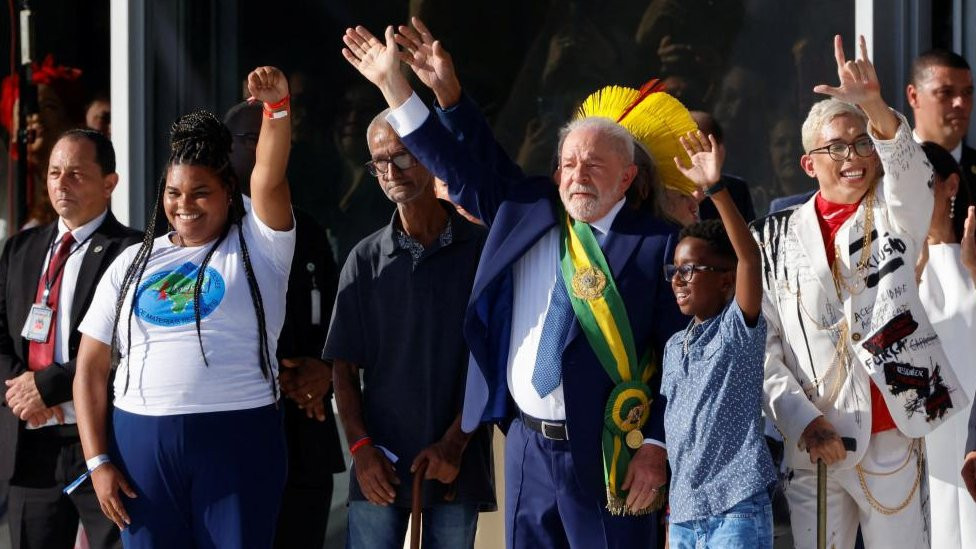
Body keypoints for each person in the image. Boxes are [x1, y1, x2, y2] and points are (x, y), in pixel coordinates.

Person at [342, 19, 685, 548]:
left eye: (595, 164)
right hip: (527, 446)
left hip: (612, 450)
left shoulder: (657, 244)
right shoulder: (528, 212)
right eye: (568, 163)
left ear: (627, 178)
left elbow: (678, 357)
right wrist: (397, 88)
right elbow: (461, 163)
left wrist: (656, 445)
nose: (578, 175)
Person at [752, 36, 969, 549]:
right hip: (815, 439)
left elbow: (913, 178)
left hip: (892, 430)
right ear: (810, 163)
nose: (854, 156)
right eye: (837, 147)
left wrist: (875, 107)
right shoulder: (773, 236)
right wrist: (801, 421)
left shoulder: (897, 210)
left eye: (863, 143)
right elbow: (763, 346)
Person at [72, 66, 294, 548]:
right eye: (173, 193)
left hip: (237, 441)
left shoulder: (259, 246)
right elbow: (89, 368)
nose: (184, 205)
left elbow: (269, 178)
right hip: (140, 450)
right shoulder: (132, 261)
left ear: (229, 193)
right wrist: (97, 462)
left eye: (200, 193)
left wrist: (277, 110)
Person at [324, 103, 495, 549]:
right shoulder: (363, 258)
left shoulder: (480, 250)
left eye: (403, 155)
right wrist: (361, 451)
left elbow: (494, 361)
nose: (391, 170)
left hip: (456, 467)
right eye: (380, 161)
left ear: (431, 154)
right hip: (377, 468)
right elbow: (343, 367)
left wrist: (455, 444)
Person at [0, 129, 139, 549]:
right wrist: (20, 393)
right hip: (32, 446)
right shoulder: (21, 248)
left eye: (77, 173)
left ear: (109, 183)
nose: (61, 183)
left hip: (101, 444)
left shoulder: (131, 251)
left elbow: (128, 345)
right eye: (55, 172)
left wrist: (46, 386)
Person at [223, 100, 346, 549]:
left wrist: (325, 371)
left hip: (306, 434)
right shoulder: (201, 231)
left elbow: (339, 317)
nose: (269, 148)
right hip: (235, 440)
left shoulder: (306, 228)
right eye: (256, 138)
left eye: (279, 137)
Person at [662, 130, 776, 548]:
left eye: (691, 270)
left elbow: (749, 258)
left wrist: (715, 189)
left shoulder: (736, 331)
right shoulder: (676, 346)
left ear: (727, 282)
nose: (679, 281)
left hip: (736, 511)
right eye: (674, 271)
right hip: (684, 516)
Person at [915, 142, 976, 549]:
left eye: (922, 182)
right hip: (921, 438)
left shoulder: (973, 253)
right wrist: (910, 272)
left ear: (950, 186)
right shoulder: (895, 266)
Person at [906, 49, 975, 221]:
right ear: (914, 96)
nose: (960, 103)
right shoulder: (886, 169)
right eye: (946, 92)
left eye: (967, 92)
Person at [689, 111, 757, 223]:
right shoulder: (668, 195)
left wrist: (714, 189)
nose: (693, 156)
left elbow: (750, 236)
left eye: (700, 148)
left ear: (720, 151)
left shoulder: (736, 189)